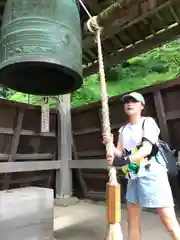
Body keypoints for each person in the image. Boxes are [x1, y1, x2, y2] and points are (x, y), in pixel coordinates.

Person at [102, 92, 180, 240]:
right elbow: (119, 152)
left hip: (152, 174)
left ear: (142, 106)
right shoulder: (123, 130)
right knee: (132, 221)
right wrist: (109, 144)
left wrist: (125, 160)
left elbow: (147, 149)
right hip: (133, 176)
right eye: (127, 101)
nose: (129, 103)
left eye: (134, 101)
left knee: (168, 219)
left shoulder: (148, 122)